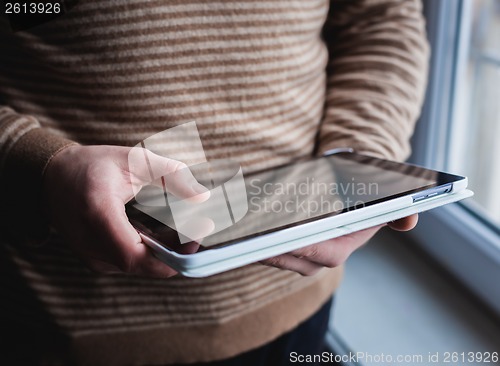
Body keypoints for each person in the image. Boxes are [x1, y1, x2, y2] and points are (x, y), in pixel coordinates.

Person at [0, 0, 428, 364]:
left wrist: (362, 158)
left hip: (298, 309)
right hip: (64, 328)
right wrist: (36, 164)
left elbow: (380, 18)